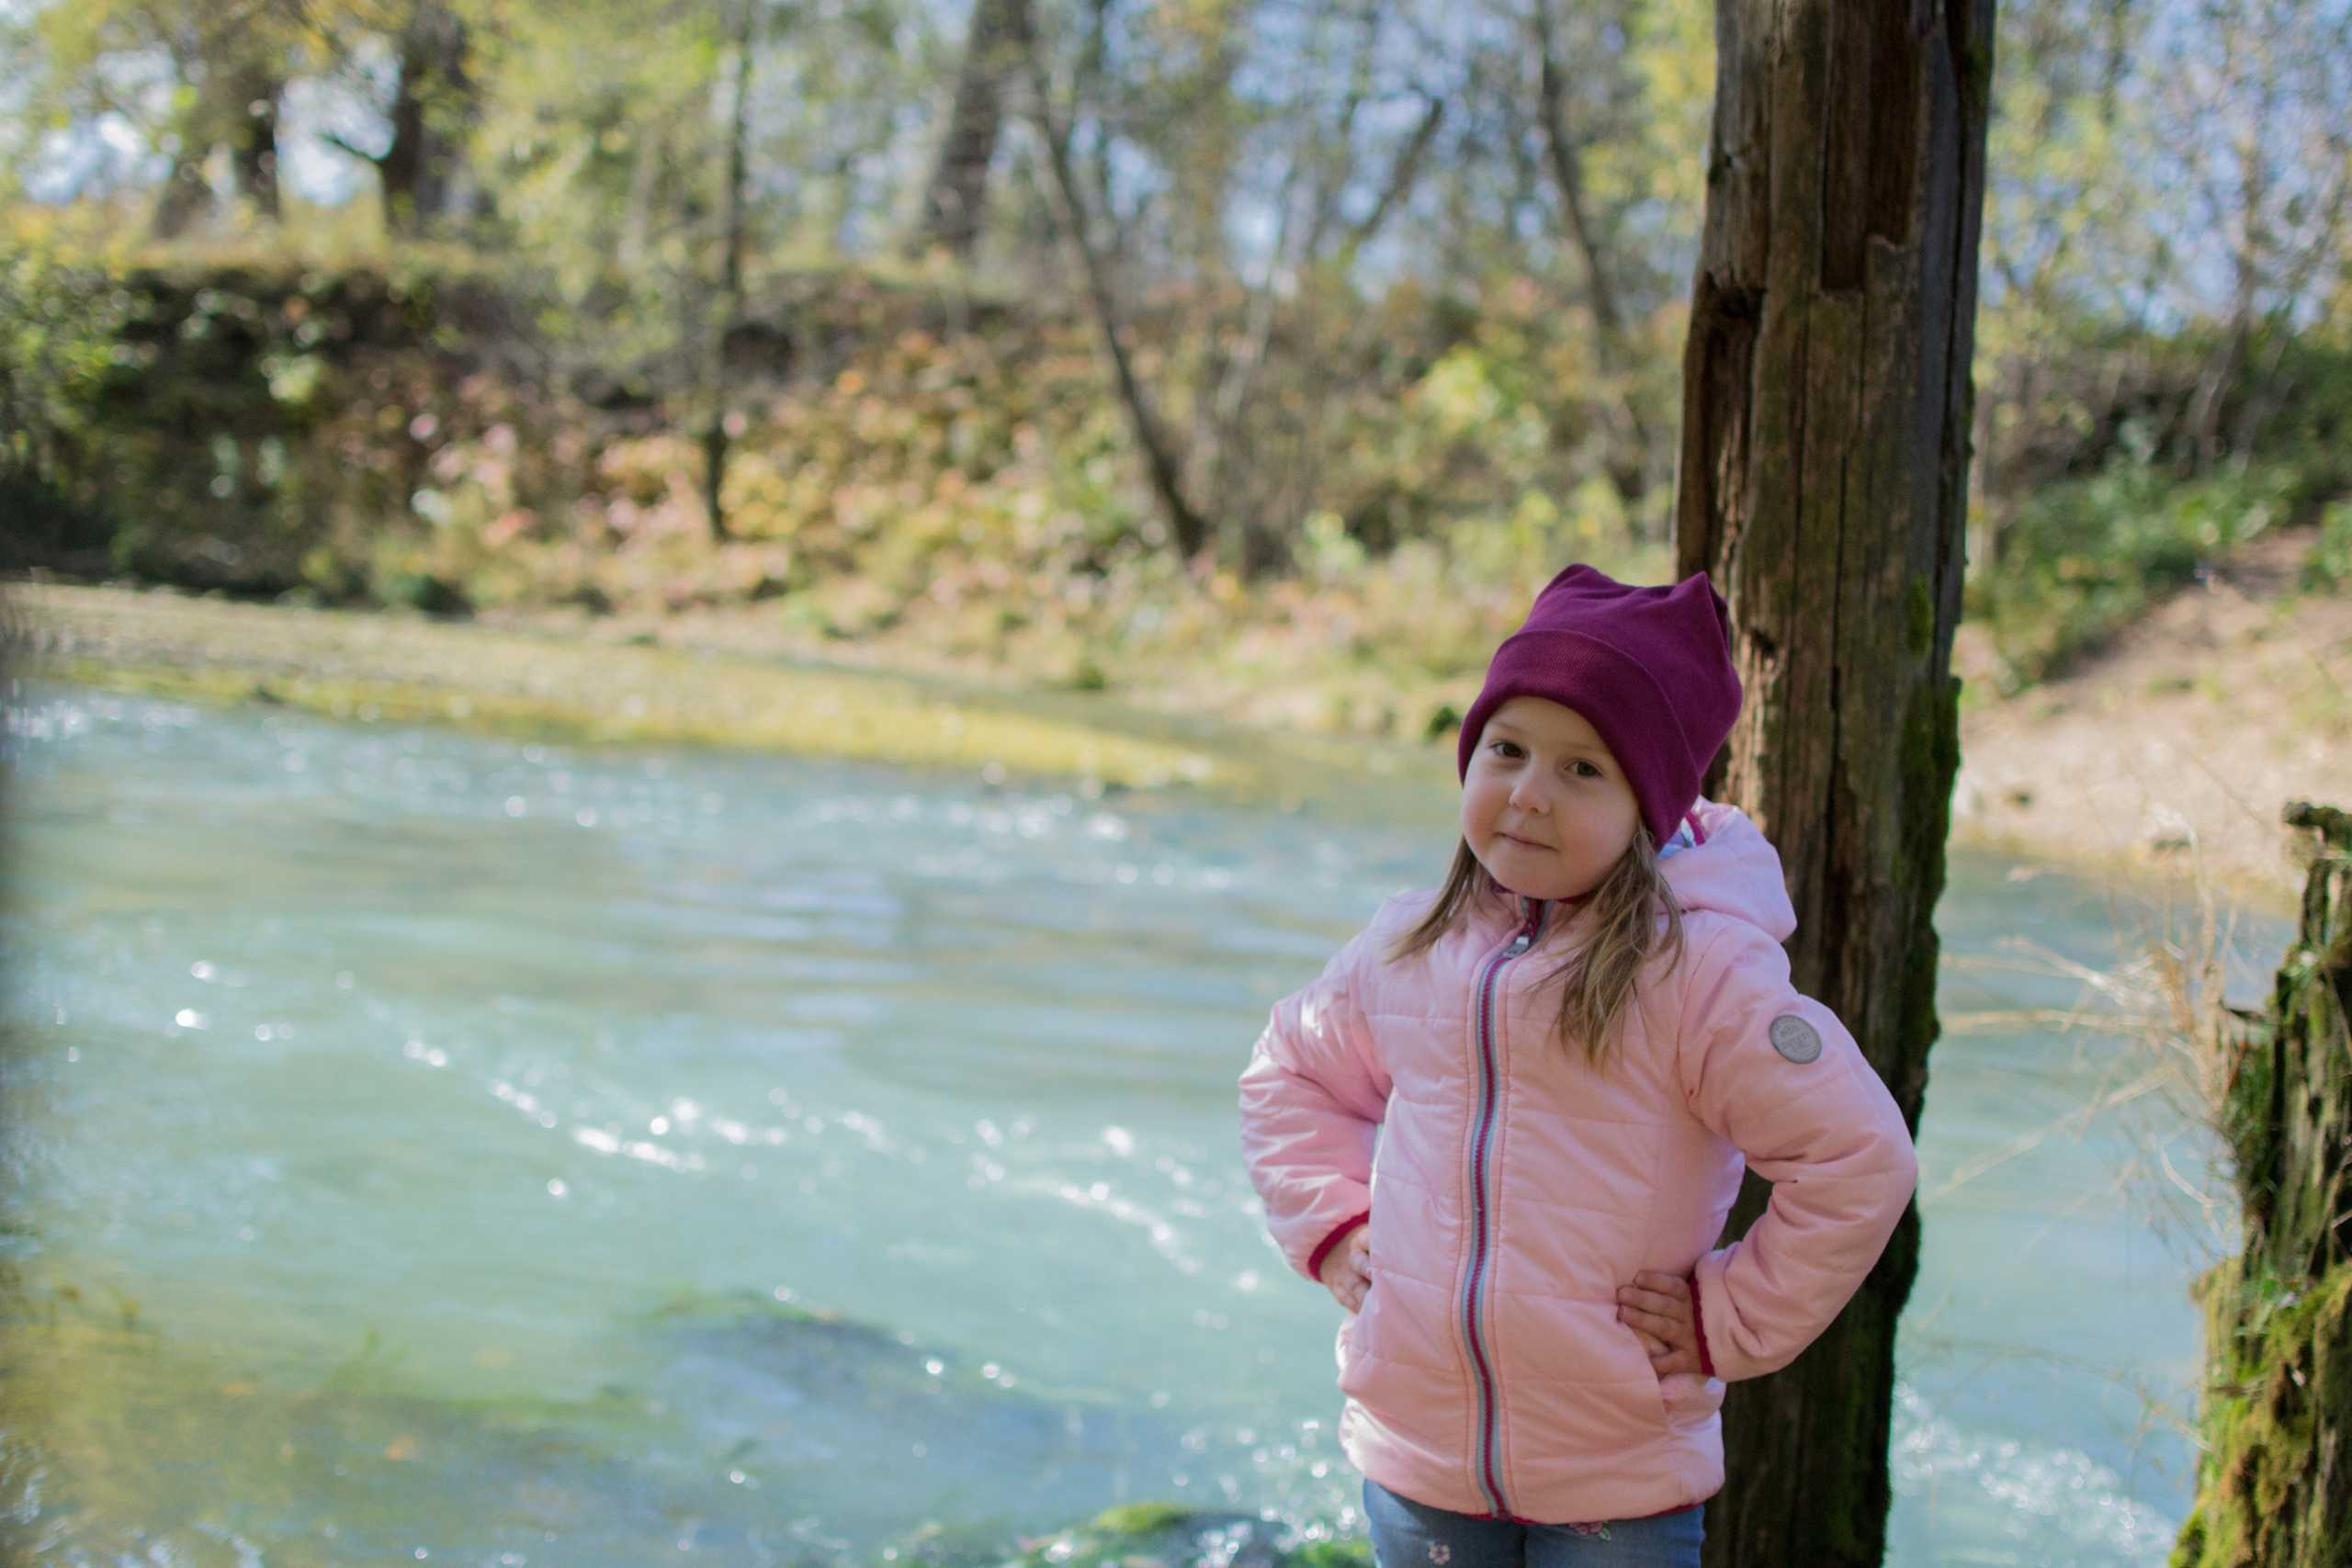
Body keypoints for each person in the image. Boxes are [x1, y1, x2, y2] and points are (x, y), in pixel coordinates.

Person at [1238, 565, 1917, 1568]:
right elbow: (1288, 1073)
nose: (1527, 795)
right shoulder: (1407, 951)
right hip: (1418, 1461)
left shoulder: (1700, 978)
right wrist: (1334, 1227)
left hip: (1616, 1479)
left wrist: (1727, 1316)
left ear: (1649, 802)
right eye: (1505, 750)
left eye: (1582, 770)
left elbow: (1859, 1160)